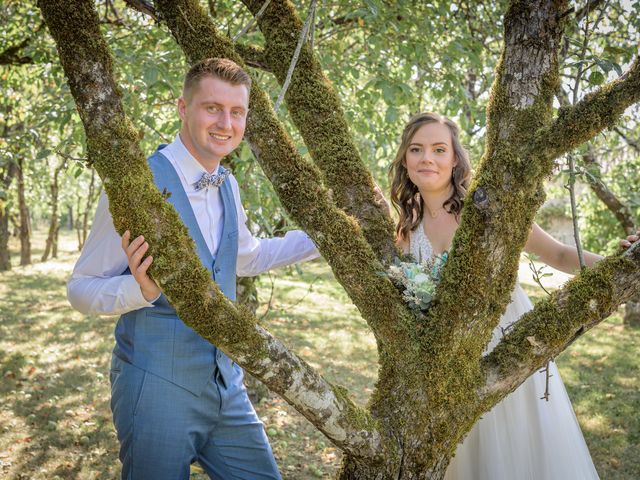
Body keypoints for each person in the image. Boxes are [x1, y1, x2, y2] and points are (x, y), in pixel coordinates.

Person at [67, 58, 319, 480]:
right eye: (212, 108)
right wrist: (141, 291)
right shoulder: (136, 183)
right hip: (155, 388)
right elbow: (80, 288)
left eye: (237, 112)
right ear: (183, 109)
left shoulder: (228, 184)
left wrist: (327, 237)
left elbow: (247, 258)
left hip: (226, 386)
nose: (226, 122)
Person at [389, 112, 617, 479]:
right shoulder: (405, 226)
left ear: (455, 159)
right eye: (416, 149)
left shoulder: (489, 210)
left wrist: (616, 262)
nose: (426, 158)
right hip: (444, 360)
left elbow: (557, 254)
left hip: (503, 343)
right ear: (404, 160)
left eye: (438, 149)